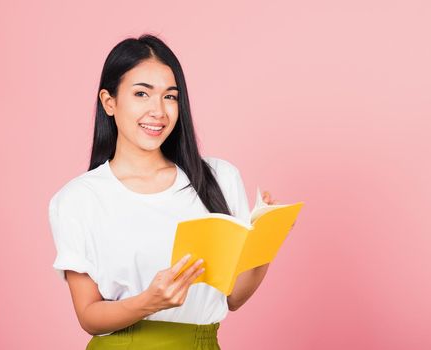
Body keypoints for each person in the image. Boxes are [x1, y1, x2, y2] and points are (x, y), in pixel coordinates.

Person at [48, 34, 279, 350]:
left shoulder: (219, 178)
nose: (158, 110)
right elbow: (88, 314)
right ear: (109, 102)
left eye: (170, 97)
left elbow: (234, 297)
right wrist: (148, 302)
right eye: (142, 93)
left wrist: (266, 240)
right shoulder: (78, 199)